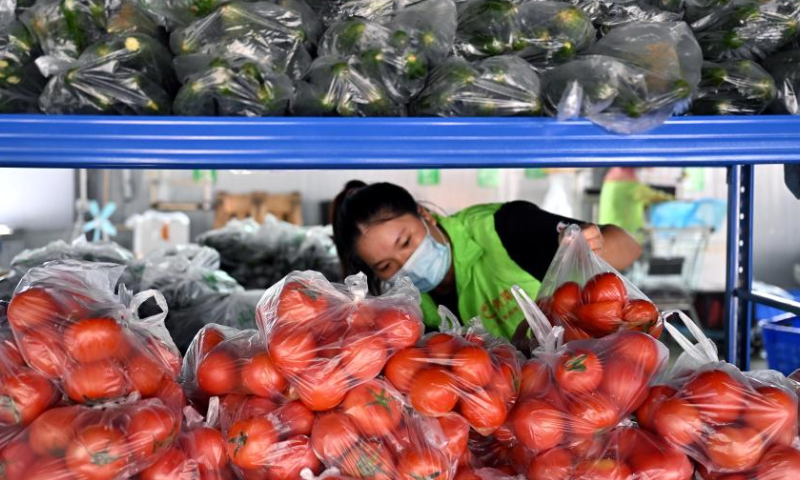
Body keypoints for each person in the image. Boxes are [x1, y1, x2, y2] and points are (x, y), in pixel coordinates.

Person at [331, 180, 642, 343]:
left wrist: (587, 249)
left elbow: (628, 245)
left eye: (406, 242)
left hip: (583, 382)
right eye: (387, 266)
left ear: (425, 216)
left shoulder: (503, 227)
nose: (406, 263)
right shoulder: (404, 311)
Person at [598, 167, 674, 243]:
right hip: (623, 235)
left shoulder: (611, 180)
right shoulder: (626, 182)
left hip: (608, 233)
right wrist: (674, 198)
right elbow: (653, 196)